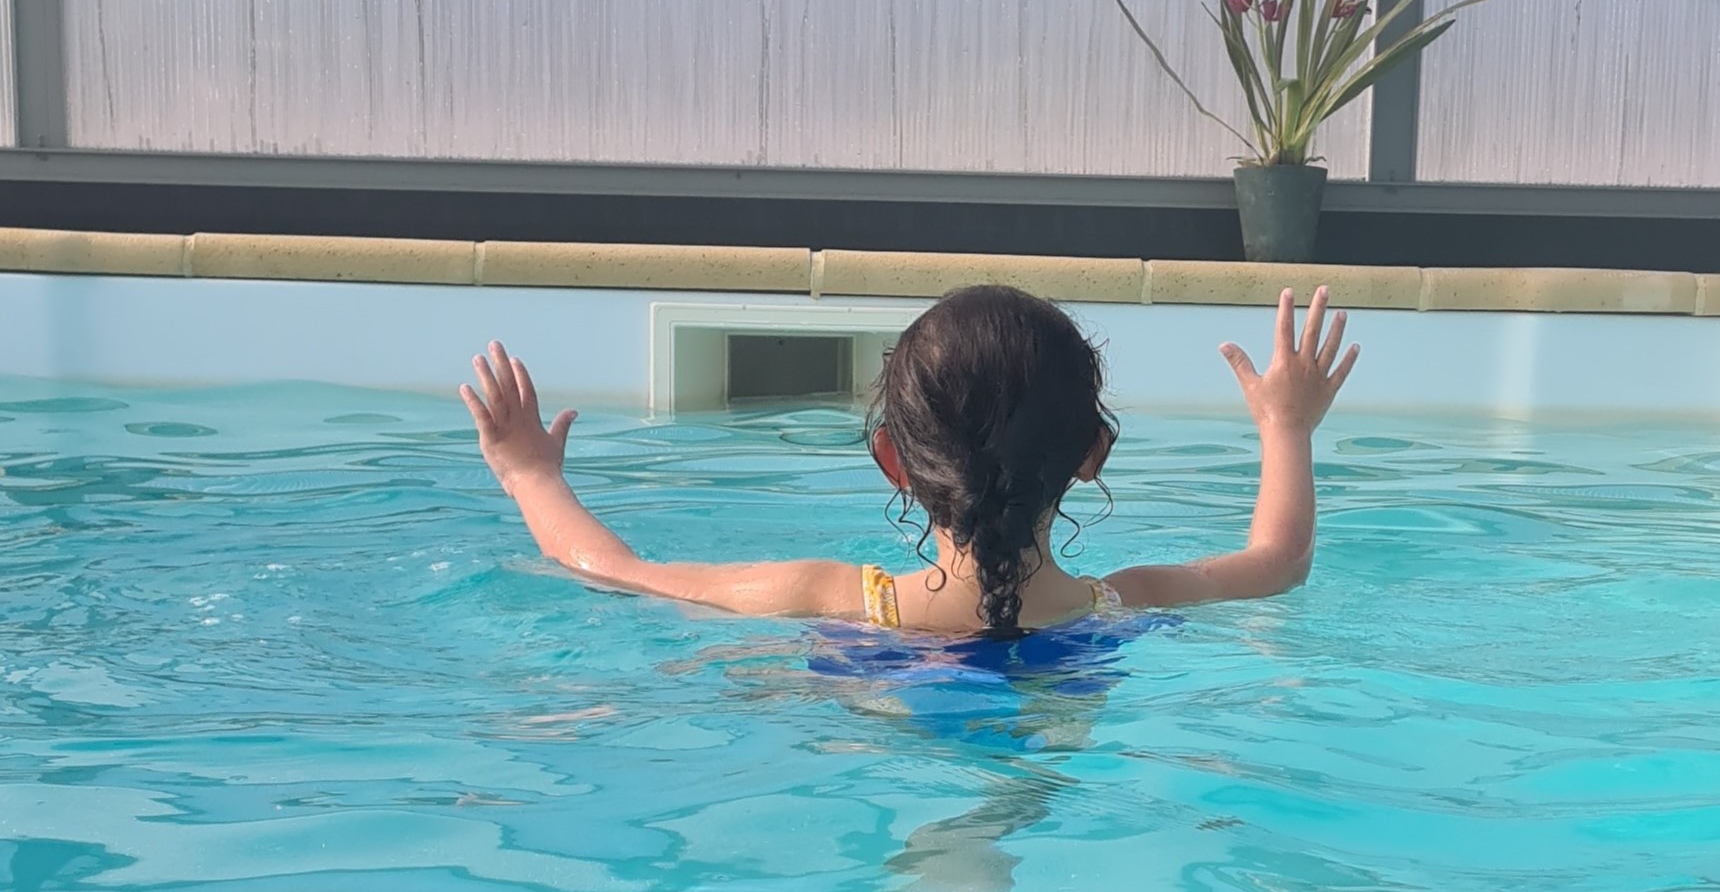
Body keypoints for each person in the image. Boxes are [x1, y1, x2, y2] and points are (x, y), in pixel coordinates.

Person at [459, 282, 1357, 634]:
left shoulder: (832, 598)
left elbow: (621, 572)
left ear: (893, 460)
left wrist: (530, 474)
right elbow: (1278, 561)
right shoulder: (1126, 602)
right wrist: (1286, 428)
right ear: (1091, 453)